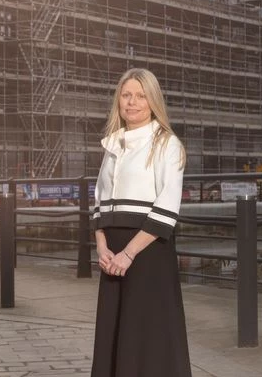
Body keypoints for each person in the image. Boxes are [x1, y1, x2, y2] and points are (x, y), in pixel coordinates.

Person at [90, 68, 191, 377]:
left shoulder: (167, 144)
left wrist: (128, 254)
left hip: (148, 252)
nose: (132, 102)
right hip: (113, 256)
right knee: (114, 334)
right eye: (126, 95)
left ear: (152, 100)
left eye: (140, 95)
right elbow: (99, 201)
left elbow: (166, 207)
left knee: (147, 337)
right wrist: (103, 248)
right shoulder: (113, 144)